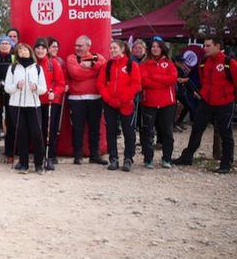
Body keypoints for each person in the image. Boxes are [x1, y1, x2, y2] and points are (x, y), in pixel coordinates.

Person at [174, 37, 237, 174]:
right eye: (205, 45)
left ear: (217, 46)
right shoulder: (203, 63)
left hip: (224, 104)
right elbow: (203, 81)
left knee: (226, 134)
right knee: (196, 130)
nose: (205, 48)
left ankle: (226, 163)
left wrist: (230, 99)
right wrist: (202, 93)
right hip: (206, 103)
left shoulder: (229, 63)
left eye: (208, 45)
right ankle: (187, 157)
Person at [97, 40, 142, 171]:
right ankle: (113, 159)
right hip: (110, 104)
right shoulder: (107, 65)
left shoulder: (131, 64)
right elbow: (101, 84)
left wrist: (122, 99)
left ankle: (128, 158)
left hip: (126, 104)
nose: (112, 50)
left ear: (122, 49)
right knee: (111, 131)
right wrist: (109, 99)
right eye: (110, 48)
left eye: (114, 48)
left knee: (128, 132)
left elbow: (136, 84)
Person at [3, 42, 46, 174]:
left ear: (29, 51)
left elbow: (43, 89)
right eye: (20, 51)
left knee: (37, 133)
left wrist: (36, 88)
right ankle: (23, 163)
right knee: (21, 134)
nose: (23, 52)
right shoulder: (13, 68)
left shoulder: (37, 68)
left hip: (33, 105)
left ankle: (39, 163)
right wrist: (16, 86)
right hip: (17, 105)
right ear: (17, 54)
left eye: (25, 50)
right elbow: (7, 88)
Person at [66, 35, 107, 165]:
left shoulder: (97, 57)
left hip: (95, 98)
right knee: (77, 128)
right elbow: (75, 74)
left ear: (88, 46)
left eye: (80, 45)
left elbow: (104, 66)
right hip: (76, 99)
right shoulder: (71, 58)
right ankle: (77, 155)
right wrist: (94, 70)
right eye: (76, 45)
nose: (77, 48)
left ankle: (95, 155)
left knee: (95, 128)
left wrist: (90, 64)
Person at [139, 38, 178, 169]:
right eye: (153, 46)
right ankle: (148, 159)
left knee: (167, 132)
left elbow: (172, 79)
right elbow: (144, 81)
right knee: (147, 132)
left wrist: (155, 77)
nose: (155, 49)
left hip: (167, 103)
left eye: (158, 46)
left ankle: (167, 158)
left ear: (162, 48)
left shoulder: (169, 63)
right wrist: (162, 81)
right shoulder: (144, 64)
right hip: (149, 103)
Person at [34, 38, 66, 170]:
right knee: (38, 130)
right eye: (38, 48)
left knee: (50, 130)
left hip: (51, 101)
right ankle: (39, 156)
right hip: (36, 102)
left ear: (47, 50)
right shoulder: (33, 64)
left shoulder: (53, 63)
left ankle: (50, 156)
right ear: (34, 50)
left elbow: (60, 83)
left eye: (43, 48)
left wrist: (56, 94)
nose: (40, 51)